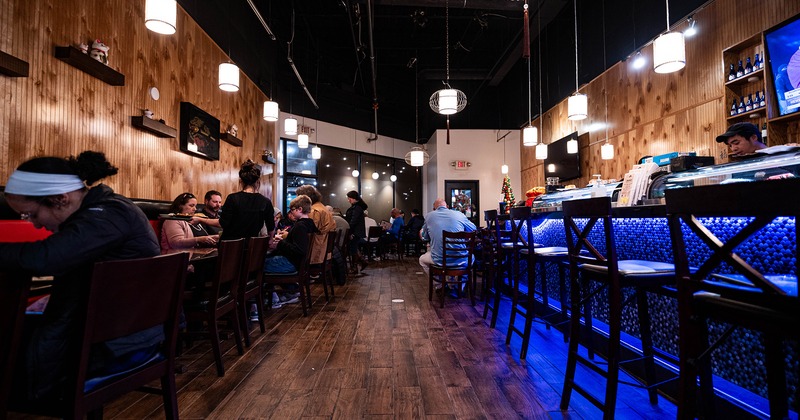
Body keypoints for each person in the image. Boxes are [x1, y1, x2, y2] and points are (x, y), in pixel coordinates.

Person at [0, 151, 163, 402]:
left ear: (60, 198)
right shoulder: (108, 210)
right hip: (124, 335)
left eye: (31, 214)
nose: (34, 224)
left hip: (116, 346)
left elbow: (47, 258)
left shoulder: (107, 215)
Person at [418, 198, 477, 281]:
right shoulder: (459, 214)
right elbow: (473, 229)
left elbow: (425, 237)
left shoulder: (429, 216)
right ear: (447, 207)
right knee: (472, 257)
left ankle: (439, 285)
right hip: (460, 259)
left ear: (434, 209)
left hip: (439, 260)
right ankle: (458, 286)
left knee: (422, 260)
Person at [219, 159, 275, 240]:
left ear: (241, 181)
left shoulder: (232, 198)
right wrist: (270, 241)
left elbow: (223, 223)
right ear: (258, 181)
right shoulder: (265, 202)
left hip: (230, 247)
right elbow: (271, 228)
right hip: (252, 248)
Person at [264, 195, 319, 273]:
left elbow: (299, 250)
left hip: (291, 263)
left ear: (300, 209)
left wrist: (280, 243)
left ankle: (288, 284)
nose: (291, 212)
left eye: (292, 209)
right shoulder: (309, 223)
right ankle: (289, 285)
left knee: (257, 265)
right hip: (298, 263)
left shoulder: (300, 226)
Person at [295, 185, 336, 265]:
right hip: (323, 250)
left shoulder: (314, 211)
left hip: (315, 253)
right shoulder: (322, 207)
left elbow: (307, 233)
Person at [345, 190, 369, 274]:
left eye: (350, 198)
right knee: (353, 248)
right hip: (357, 231)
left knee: (353, 249)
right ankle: (362, 262)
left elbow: (353, 221)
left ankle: (355, 267)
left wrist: (350, 232)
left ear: (354, 198)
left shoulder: (357, 208)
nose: (348, 200)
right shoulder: (358, 207)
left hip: (355, 231)